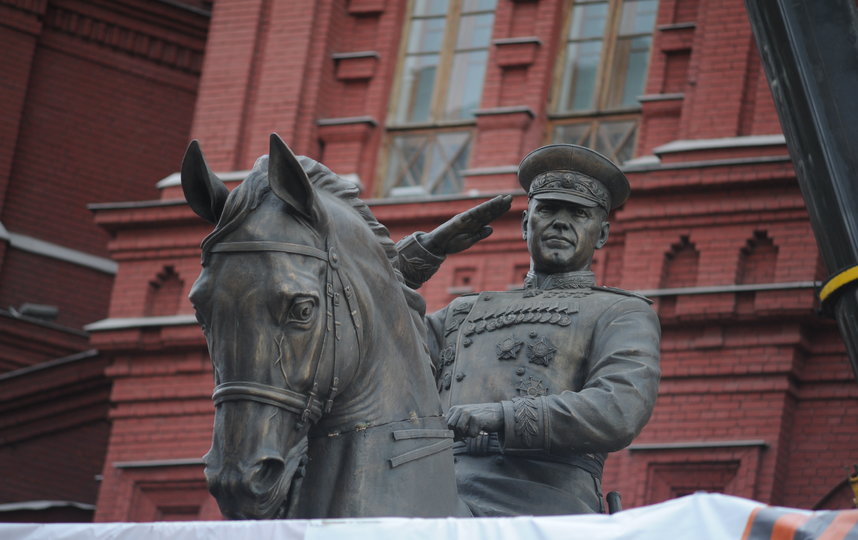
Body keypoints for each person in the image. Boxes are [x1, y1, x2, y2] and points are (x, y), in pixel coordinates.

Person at [396, 144, 661, 516]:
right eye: (548, 209)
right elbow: (371, 339)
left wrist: (501, 416)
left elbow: (618, 409)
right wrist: (423, 253)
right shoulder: (462, 312)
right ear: (526, 224)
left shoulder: (619, 312)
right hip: (435, 485)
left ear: (601, 234)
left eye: (579, 214)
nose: (561, 222)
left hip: (542, 498)